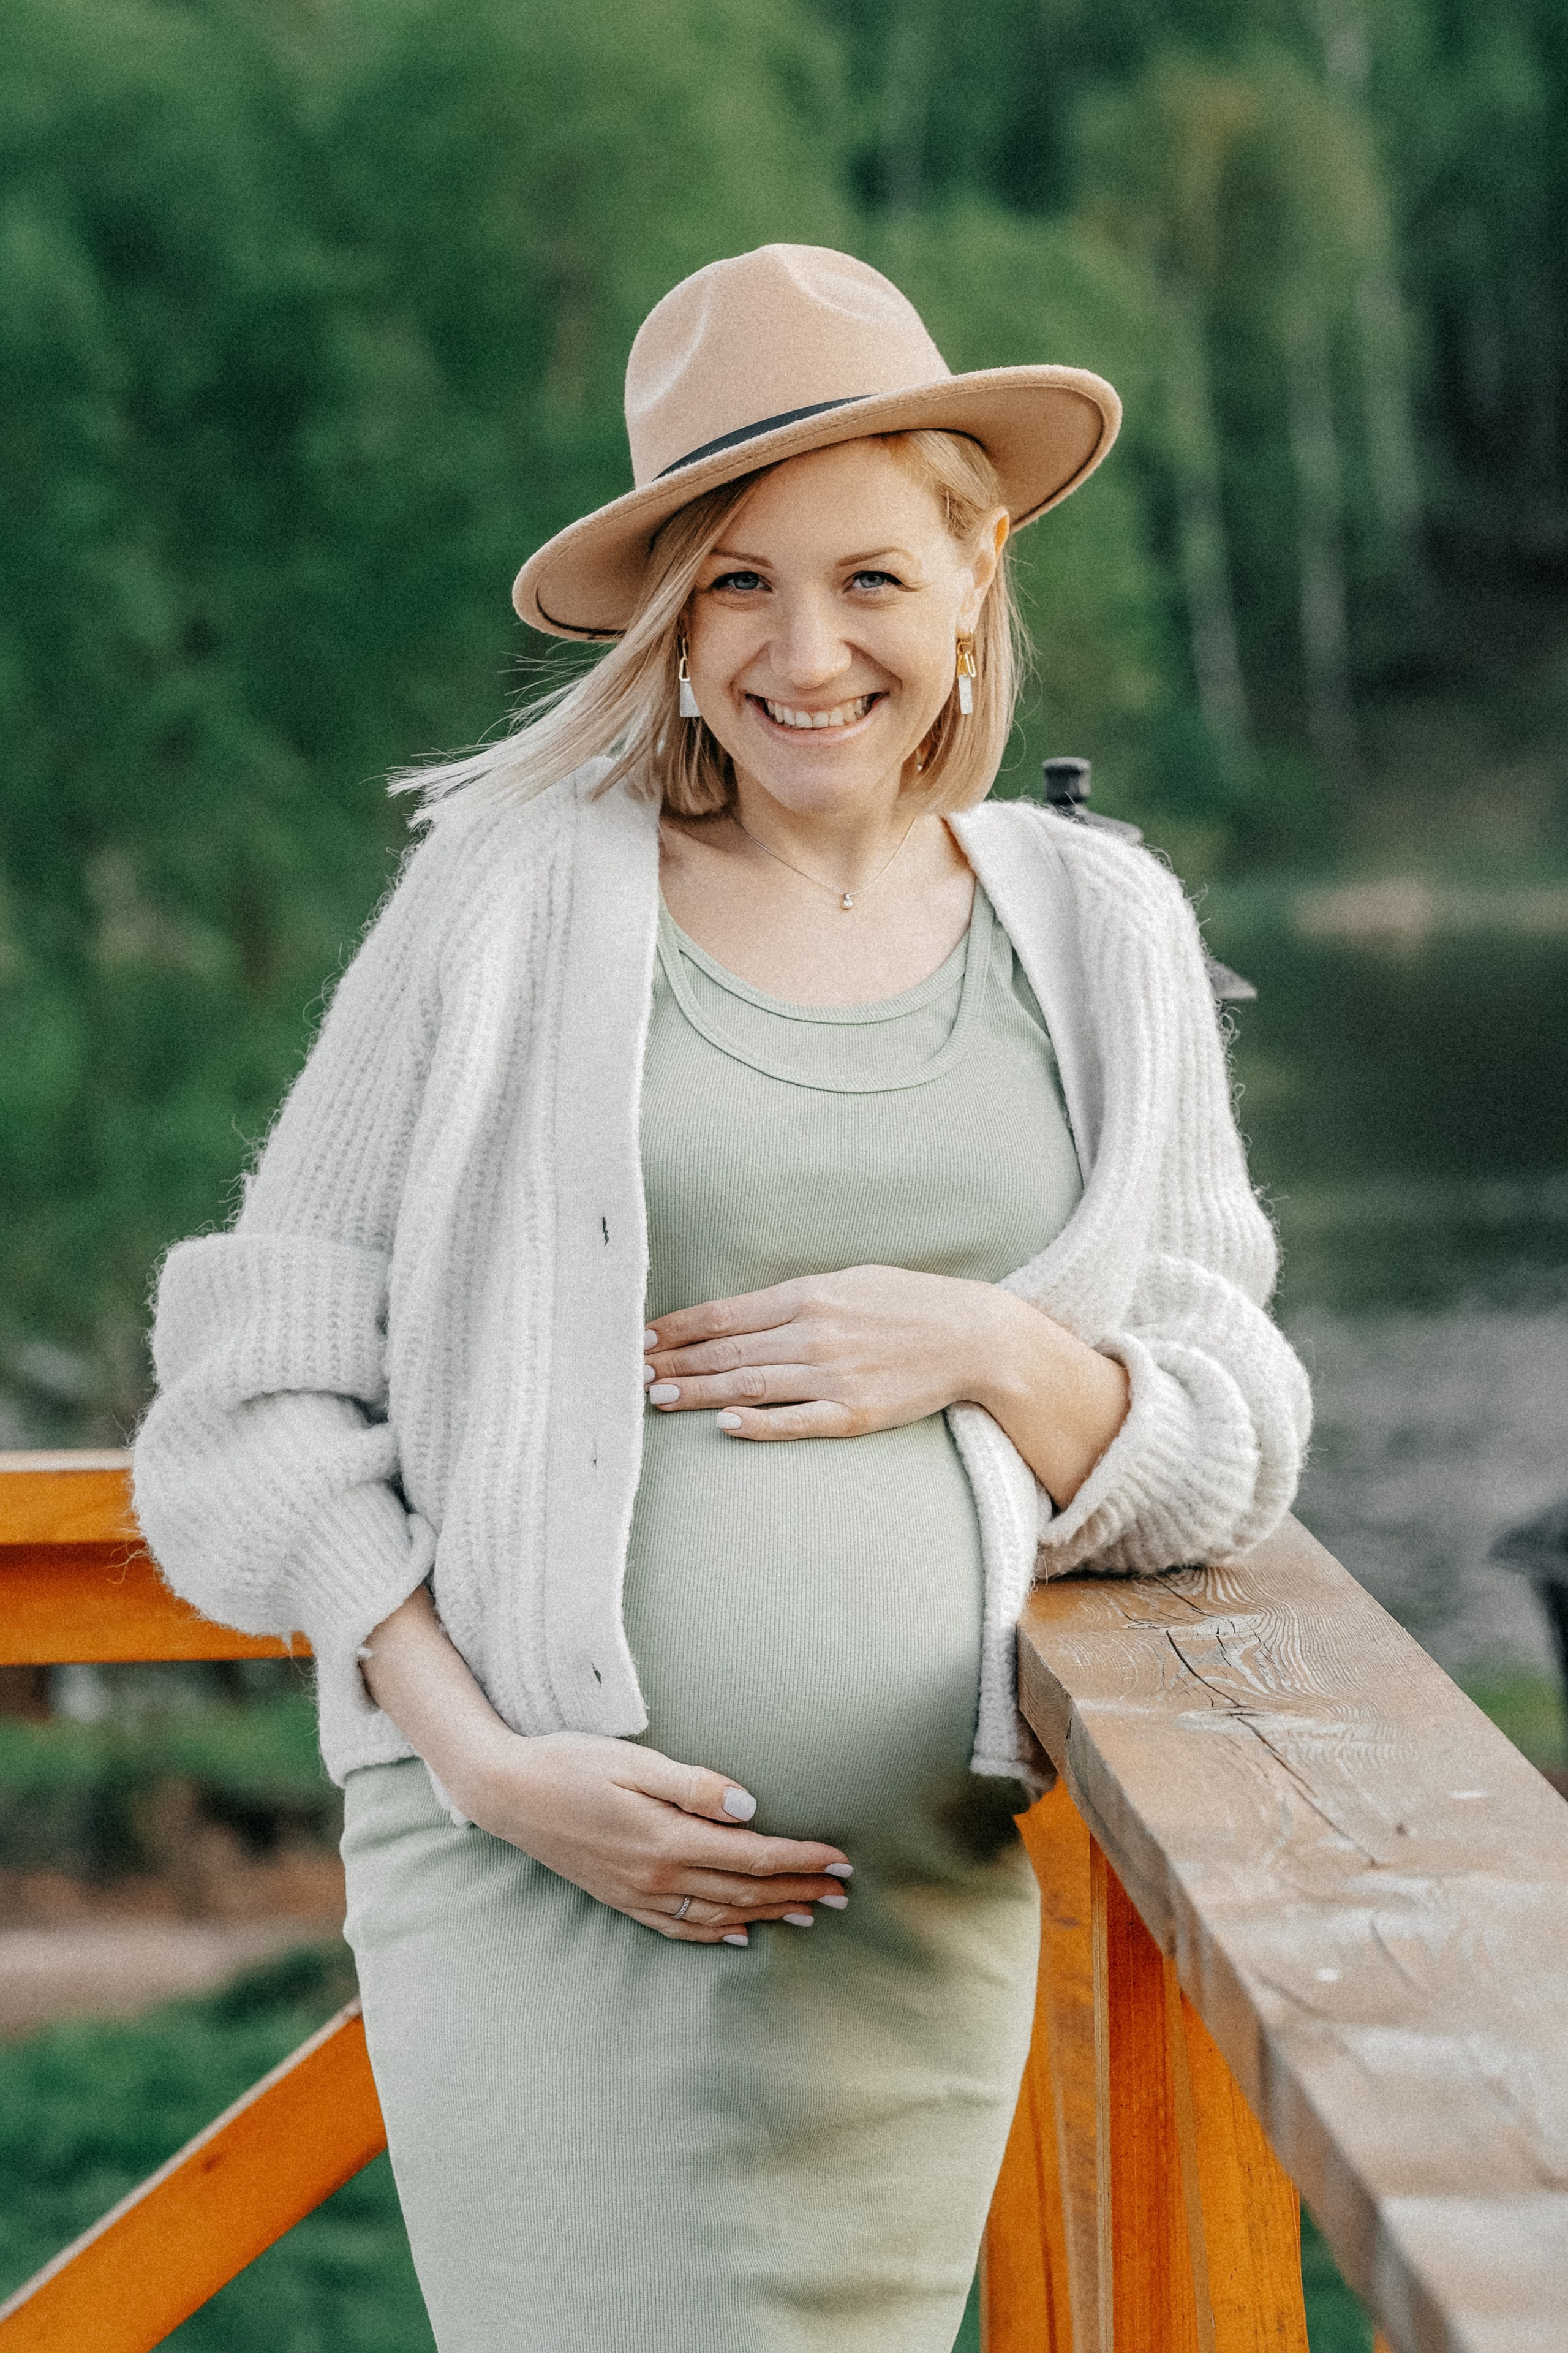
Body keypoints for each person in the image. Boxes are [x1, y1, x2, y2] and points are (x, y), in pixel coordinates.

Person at [134, 244, 1311, 2352]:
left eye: (870, 577)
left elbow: (1228, 1418)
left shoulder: (1106, 928)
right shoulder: (506, 895)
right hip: (535, 1895)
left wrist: (995, 1348)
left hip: (909, 1915)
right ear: (673, 626)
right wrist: (486, 1754)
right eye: (740, 584)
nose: (807, 649)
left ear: (973, 584)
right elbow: (249, 1391)